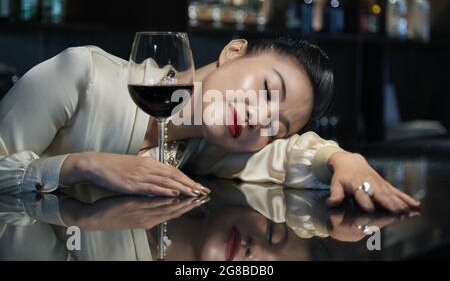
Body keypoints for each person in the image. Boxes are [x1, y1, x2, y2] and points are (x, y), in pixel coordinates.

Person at [0, 36, 420, 213]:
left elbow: (293, 158)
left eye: (275, 125)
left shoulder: (212, 147)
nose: (259, 118)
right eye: (266, 90)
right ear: (234, 52)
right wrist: (82, 165)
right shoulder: (82, 74)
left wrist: (345, 158)